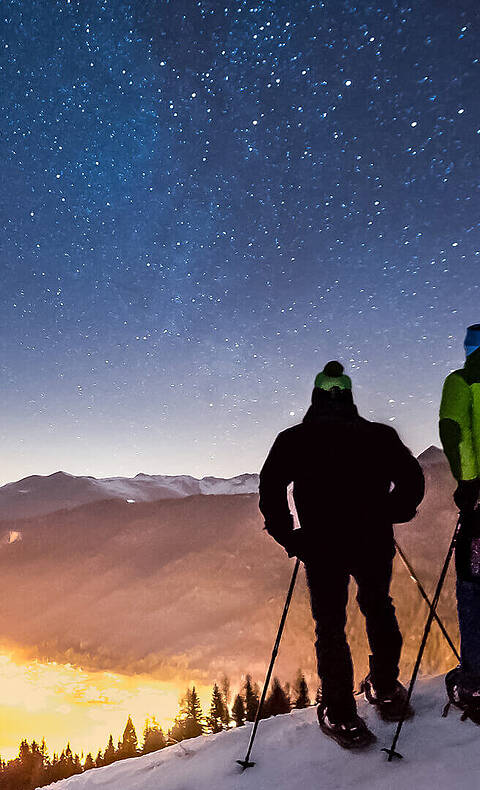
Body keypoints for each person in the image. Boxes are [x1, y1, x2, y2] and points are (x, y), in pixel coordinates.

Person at [259, 361, 425, 749]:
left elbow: (270, 489)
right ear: (349, 397)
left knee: (330, 626)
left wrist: (289, 537)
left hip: (321, 547)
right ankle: (385, 688)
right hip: (373, 541)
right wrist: (392, 511)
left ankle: (341, 712)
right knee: (379, 607)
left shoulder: (294, 439)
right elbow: (413, 480)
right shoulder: (379, 436)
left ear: (315, 396)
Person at [439, 324, 480, 721]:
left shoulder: (461, 381)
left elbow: (453, 432)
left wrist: (468, 484)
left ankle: (476, 682)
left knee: (474, 587)